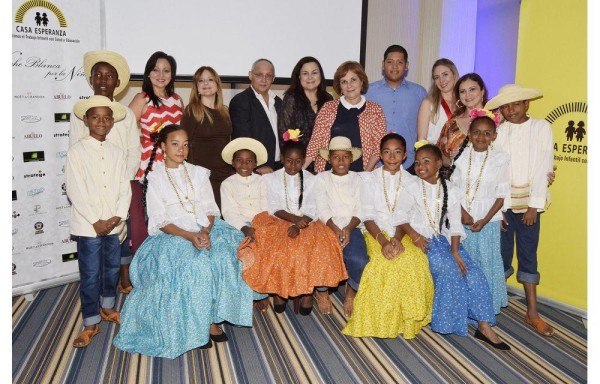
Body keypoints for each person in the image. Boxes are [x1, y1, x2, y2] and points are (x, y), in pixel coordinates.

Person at [113, 125, 256, 358]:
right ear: (163, 147)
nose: (181, 149)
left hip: (207, 229)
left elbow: (210, 208)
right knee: (195, 264)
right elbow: (160, 220)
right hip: (173, 235)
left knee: (227, 256)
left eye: (186, 144)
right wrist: (191, 237)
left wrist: (206, 232)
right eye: (175, 144)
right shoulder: (155, 178)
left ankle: (213, 316)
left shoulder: (199, 173)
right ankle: (200, 324)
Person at [396, 143, 510, 350]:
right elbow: (400, 216)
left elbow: (456, 224)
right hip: (423, 240)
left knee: (474, 272)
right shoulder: (410, 186)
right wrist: (415, 236)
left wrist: (455, 251)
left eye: (426, 161)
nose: (420, 166)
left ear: (439, 164)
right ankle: (447, 323)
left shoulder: (450, 188)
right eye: (418, 162)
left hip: (446, 240)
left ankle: (484, 327)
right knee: (449, 270)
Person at [238, 136, 348, 315]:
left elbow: (315, 207)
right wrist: (293, 220)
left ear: (304, 161)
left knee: (314, 248)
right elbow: (273, 207)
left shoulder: (312, 180)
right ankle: (280, 289)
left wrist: (300, 224)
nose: (293, 166)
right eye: (288, 161)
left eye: (298, 162)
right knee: (278, 249)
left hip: (308, 222)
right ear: (282, 159)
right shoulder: (271, 179)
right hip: (279, 220)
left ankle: (308, 291)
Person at [342, 133, 433, 339]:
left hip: (403, 232)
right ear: (380, 155)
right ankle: (358, 299)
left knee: (413, 260)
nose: (392, 157)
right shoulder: (368, 179)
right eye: (387, 152)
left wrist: (397, 239)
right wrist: (383, 242)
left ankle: (404, 319)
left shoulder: (412, 181)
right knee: (381, 263)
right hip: (375, 232)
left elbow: (407, 214)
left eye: (397, 152)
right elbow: (367, 215)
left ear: (405, 155)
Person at [485, 84, 555, 337]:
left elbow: (544, 165)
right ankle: (491, 306)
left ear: (527, 104)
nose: (511, 109)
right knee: (500, 255)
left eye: (516, 103)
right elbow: (495, 171)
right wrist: (500, 209)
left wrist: (534, 206)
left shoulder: (542, 128)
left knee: (528, 254)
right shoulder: (499, 132)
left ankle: (532, 313)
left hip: (529, 207)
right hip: (503, 206)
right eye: (506, 105)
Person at [69, 50, 141, 294]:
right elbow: (75, 151)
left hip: (121, 186)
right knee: (94, 240)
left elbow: (134, 151)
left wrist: (122, 178)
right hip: (91, 189)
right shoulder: (81, 114)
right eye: (97, 75)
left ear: (117, 83)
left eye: (109, 76)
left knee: (121, 232)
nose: (103, 80)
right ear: (90, 80)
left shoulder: (127, 115)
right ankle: (97, 288)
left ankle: (123, 278)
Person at [66, 96, 131, 348]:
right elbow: (75, 189)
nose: (101, 122)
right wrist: (95, 220)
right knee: (91, 273)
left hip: (115, 224)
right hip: (88, 226)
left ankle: (107, 307)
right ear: (86, 120)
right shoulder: (77, 152)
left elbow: (123, 187)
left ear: (112, 122)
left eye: (106, 117)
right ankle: (91, 321)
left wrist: (117, 216)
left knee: (112, 268)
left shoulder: (116, 152)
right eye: (95, 117)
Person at [450, 113, 509, 314]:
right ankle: (467, 306)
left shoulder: (500, 159)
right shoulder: (461, 156)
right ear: (469, 134)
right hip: (463, 217)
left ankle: (487, 307)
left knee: (486, 263)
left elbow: (501, 195)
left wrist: (485, 220)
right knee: (466, 264)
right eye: (476, 132)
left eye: (486, 133)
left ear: (494, 136)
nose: (481, 137)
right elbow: (453, 189)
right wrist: (463, 213)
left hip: (488, 220)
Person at [313, 136, 368, 317]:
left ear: (352, 159)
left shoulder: (358, 179)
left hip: (353, 226)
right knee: (322, 255)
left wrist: (349, 229)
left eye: (345, 157)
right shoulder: (321, 179)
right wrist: (336, 229)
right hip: (327, 226)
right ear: (329, 159)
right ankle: (322, 292)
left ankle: (351, 293)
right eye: (336, 157)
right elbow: (322, 207)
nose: (341, 161)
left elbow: (361, 207)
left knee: (359, 260)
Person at [305, 61, 386, 173]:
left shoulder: (375, 110)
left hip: (362, 176)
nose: (349, 85)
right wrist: (299, 171)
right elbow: (315, 143)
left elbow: (378, 148)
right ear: (340, 86)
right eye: (344, 81)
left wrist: (365, 175)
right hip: (328, 176)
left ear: (362, 81)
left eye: (353, 79)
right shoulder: (328, 108)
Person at [219, 137, 271, 312]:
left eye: (249, 161)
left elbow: (266, 205)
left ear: (255, 164)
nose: (244, 165)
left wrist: (259, 226)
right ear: (233, 163)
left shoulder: (262, 181)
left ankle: (261, 293)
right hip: (236, 226)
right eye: (239, 160)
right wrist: (244, 228)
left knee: (266, 248)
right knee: (238, 252)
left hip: (261, 222)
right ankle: (242, 296)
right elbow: (229, 211)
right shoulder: (227, 184)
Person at [365, 45, 427, 173]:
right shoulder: (368, 92)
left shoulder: (419, 93)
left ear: (407, 65)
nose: (394, 67)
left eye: (399, 62)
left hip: (409, 163)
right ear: (383, 64)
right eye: (390, 62)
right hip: (375, 164)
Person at [180, 66, 232, 209]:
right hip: (204, 178)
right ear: (196, 87)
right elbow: (184, 144)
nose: (206, 84)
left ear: (217, 85)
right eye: (201, 81)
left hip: (226, 175)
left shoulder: (225, 112)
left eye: (210, 80)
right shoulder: (192, 111)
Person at [129, 51, 184, 179]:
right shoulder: (141, 98)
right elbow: (124, 130)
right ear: (148, 73)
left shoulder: (178, 99)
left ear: (172, 75)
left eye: (166, 71)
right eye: (155, 70)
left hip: (175, 161)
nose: (161, 75)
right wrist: (141, 139)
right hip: (149, 162)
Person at [229, 58, 282, 173]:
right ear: (250, 75)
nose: (264, 79)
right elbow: (243, 139)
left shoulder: (278, 102)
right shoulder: (240, 101)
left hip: (279, 168)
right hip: (255, 170)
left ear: (273, 78)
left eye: (268, 75)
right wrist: (257, 167)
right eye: (259, 75)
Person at [277, 57, 333, 155]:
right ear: (299, 77)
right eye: (305, 73)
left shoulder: (328, 99)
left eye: (314, 73)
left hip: (324, 159)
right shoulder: (291, 98)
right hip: (298, 161)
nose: (310, 77)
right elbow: (283, 133)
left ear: (321, 75)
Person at [436, 73, 488, 174]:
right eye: (463, 91)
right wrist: (452, 160)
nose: (468, 95)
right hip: (456, 182)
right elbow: (439, 156)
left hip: (487, 180)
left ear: (482, 91)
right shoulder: (451, 125)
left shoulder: (496, 120)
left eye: (472, 89)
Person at [417, 58, 460, 144]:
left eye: (445, 74)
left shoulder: (463, 102)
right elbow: (421, 140)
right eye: (437, 77)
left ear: (454, 74)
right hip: (435, 155)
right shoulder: (428, 103)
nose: (441, 80)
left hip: (462, 155)